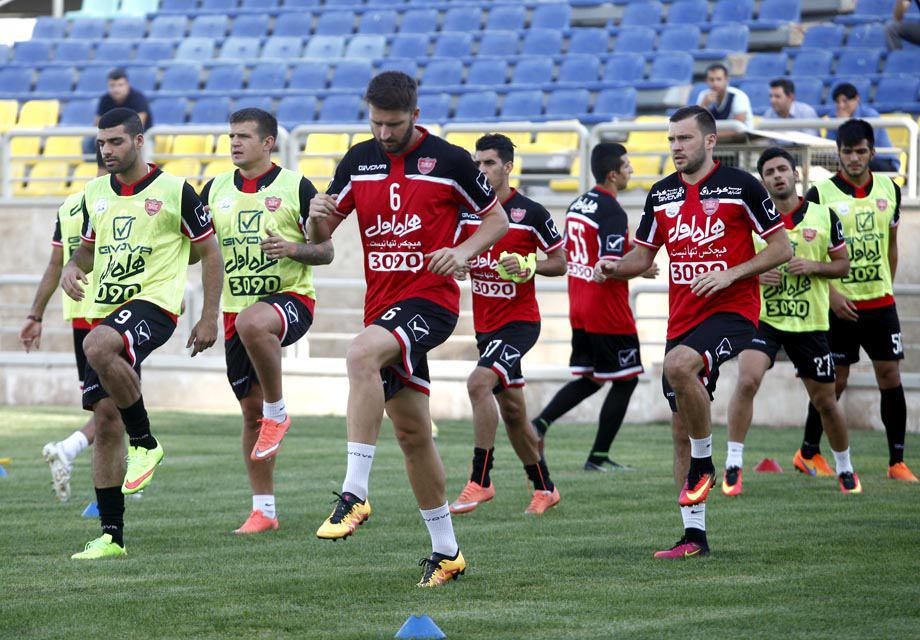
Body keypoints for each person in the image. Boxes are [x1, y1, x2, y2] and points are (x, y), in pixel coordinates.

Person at [307, 72, 507, 587]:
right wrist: (315, 215)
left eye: (393, 124)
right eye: (376, 123)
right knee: (413, 433)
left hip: (430, 304)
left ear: (415, 115)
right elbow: (323, 236)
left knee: (360, 354)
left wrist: (461, 252)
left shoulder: (451, 160)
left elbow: (497, 221)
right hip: (382, 308)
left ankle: (355, 492)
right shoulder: (358, 160)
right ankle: (447, 553)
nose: (384, 133)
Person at [596, 106, 792, 558]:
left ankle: (705, 462)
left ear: (709, 140)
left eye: (684, 138)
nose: (676, 147)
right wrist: (614, 268)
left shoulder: (742, 186)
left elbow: (781, 247)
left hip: (733, 311)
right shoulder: (661, 193)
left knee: (678, 365)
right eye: (671, 140)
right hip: (682, 318)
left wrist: (731, 274)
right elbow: (643, 257)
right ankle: (693, 537)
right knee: (679, 425)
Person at [60, 108, 223, 559]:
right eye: (101, 143)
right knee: (105, 419)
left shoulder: (176, 190)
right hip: (107, 309)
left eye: (115, 141)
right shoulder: (95, 193)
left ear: (138, 140)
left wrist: (209, 316)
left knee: (97, 346)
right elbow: (87, 250)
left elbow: (210, 252)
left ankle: (146, 443)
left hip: (156, 304)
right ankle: (111, 537)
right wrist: (72, 266)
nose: (107, 150)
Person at [200, 108, 333, 534]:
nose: (234, 143)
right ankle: (264, 511)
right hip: (234, 312)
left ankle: (279, 412)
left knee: (254, 324)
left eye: (243, 136)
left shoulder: (297, 186)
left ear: (268, 142)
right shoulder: (214, 189)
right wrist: (206, 316)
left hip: (291, 300)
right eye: (231, 136)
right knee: (249, 412)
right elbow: (203, 253)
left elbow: (325, 251)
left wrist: (292, 249)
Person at [725, 147, 861, 496]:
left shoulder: (823, 216)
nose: (777, 176)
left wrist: (814, 266)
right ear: (763, 181)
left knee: (826, 401)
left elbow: (843, 266)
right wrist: (756, 275)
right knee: (747, 381)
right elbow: (732, 268)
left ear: (796, 174)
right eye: (769, 172)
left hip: (809, 323)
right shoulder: (750, 220)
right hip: (763, 319)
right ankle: (733, 465)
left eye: (782, 169)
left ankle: (845, 468)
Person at [448, 134, 565, 516]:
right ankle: (545, 488)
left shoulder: (530, 213)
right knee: (514, 413)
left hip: (520, 324)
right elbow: (460, 254)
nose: (481, 170)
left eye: (489, 163)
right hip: (486, 327)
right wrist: (460, 264)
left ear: (509, 167)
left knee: (478, 383)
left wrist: (529, 264)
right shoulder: (468, 212)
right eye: (477, 163)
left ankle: (480, 479)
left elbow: (560, 262)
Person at [799, 119, 916, 482]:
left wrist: (887, 287)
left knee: (890, 375)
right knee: (835, 381)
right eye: (847, 152)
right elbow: (809, 250)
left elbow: (891, 245)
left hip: (880, 303)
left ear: (872, 152)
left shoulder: (889, 188)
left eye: (861, 151)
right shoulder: (820, 194)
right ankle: (808, 453)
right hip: (839, 305)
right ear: (838, 153)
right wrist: (832, 294)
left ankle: (897, 462)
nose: (854, 158)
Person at [532, 143, 656, 472]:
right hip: (607, 310)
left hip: (579, 306)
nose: (631, 170)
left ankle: (539, 424)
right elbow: (609, 264)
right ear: (613, 174)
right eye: (627, 166)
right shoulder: (612, 211)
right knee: (627, 380)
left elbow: (590, 249)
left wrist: (634, 259)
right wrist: (640, 266)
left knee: (590, 378)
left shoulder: (578, 204)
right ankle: (598, 457)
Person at [20, 190, 96, 502]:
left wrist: (35, 315)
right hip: (115, 311)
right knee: (118, 404)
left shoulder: (69, 206)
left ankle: (122, 485)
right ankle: (68, 449)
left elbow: (55, 263)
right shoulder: (123, 198)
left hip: (80, 315)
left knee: (109, 404)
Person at [827, 83, 901, 173]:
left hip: (882, 161)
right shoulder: (833, 116)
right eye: (837, 102)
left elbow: (861, 143)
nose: (841, 106)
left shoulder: (871, 115)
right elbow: (829, 144)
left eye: (845, 101)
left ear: (857, 99)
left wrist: (845, 123)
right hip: (850, 160)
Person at [695, 63, 754, 135]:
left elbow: (739, 128)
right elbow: (697, 125)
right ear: (706, 81)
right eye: (711, 80)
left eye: (719, 79)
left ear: (726, 80)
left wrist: (711, 137)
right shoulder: (704, 96)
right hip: (714, 138)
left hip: (743, 139)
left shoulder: (738, 96)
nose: (715, 83)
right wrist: (704, 105)